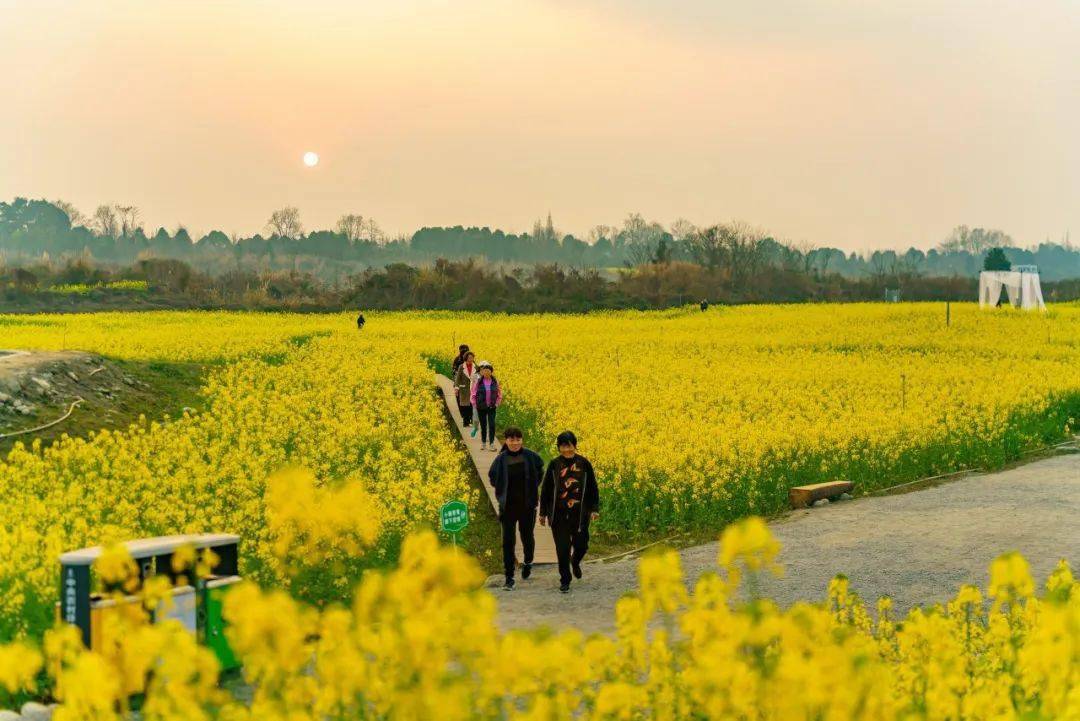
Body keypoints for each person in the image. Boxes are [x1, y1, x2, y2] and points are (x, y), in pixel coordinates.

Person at [539, 431, 600, 593]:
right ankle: (565, 579)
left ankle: (576, 562)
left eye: (570, 446)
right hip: (558, 516)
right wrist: (543, 512)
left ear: (575, 446)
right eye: (563, 446)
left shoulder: (584, 464)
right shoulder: (554, 465)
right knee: (562, 549)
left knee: (582, 545)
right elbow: (546, 489)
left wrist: (594, 508)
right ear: (559, 448)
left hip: (580, 515)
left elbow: (593, 487)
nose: (567, 450)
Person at [488, 426, 544, 590]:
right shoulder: (501, 459)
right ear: (506, 441)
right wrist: (501, 490)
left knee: (527, 537)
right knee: (508, 541)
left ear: (522, 440)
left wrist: (534, 486)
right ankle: (509, 577)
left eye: (518, 439)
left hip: (527, 506)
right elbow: (492, 477)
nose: (515, 443)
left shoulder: (530, 456)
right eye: (512, 440)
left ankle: (528, 562)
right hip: (508, 507)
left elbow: (540, 469)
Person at [470, 361, 502, 451]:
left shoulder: (495, 382)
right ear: (482, 372)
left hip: (492, 407)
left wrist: (497, 403)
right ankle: (483, 443)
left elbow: (499, 394)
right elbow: (473, 393)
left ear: (491, 372)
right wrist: (474, 404)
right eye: (484, 371)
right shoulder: (479, 382)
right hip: (481, 407)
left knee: (492, 425)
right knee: (483, 425)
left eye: (488, 371)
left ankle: (491, 444)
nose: (486, 372)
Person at [454, 351, 477, 427]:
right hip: (464, 389)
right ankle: (465, 422)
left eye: (472, 357)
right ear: (466, 358)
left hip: (473, 389)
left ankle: (470, 420)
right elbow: (458, 378)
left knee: (471, 405)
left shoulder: (475, 367)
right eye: (469, 357)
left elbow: (478, 377)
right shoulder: (461, 366)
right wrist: (456, 388)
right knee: (464, 406)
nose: (471, 359)